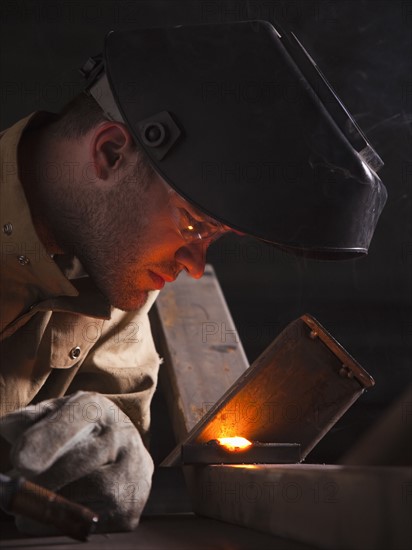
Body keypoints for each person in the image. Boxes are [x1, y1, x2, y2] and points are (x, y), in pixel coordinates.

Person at [0, 21, 387, 534]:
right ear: (111, 154)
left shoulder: (115, 275)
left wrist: (119, 455)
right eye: (192, 224)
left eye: (213, 238)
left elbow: (101, 457)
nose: (195, 266)